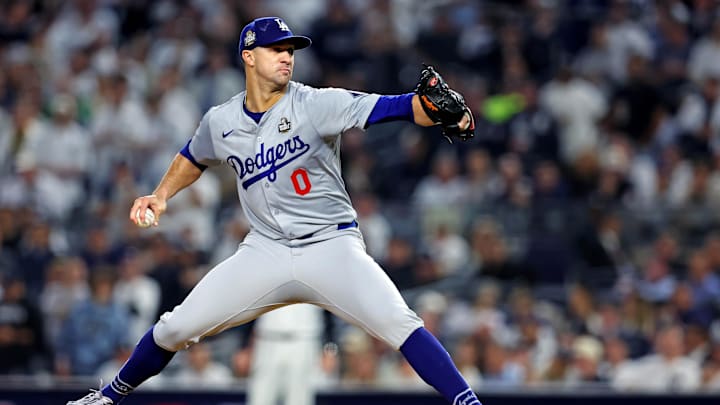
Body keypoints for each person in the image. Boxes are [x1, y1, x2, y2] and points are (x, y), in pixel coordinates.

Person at [68, 16, 479, 405]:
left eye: (290, 50)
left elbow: (400, 106)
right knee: (176, 326)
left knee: (400, 323)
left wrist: (448, 112)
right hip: (265, 250)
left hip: (330, 245)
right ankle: (108, 396)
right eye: (275, 49)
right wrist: (160, 196)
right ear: (248, 56)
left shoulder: (316, 103)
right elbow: (193, 157)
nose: (286, 57)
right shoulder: (221, 120)